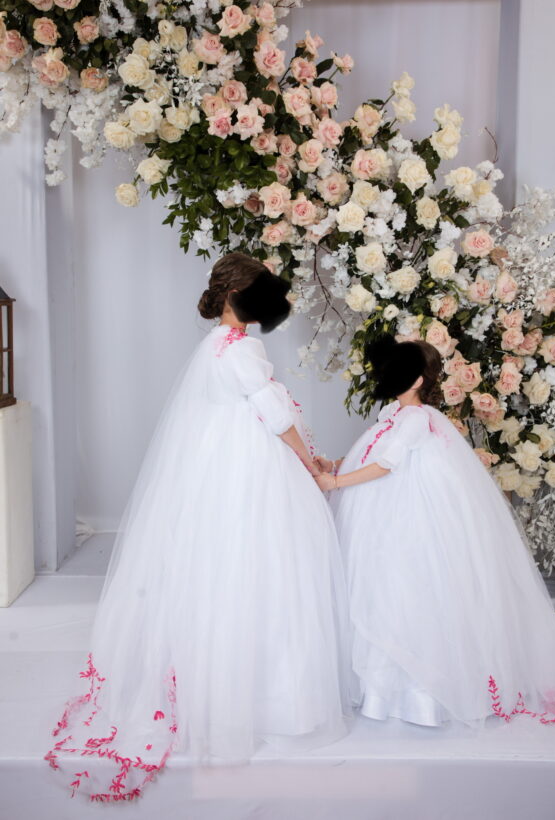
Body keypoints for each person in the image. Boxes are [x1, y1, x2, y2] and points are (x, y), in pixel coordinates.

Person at [46, 253, 350, 802]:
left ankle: (224, 683)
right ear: (239, 297)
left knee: (226, 569)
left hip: (222, 465)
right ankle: (263, 698)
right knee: (263, 567)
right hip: (250, 471)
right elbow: (277, 419)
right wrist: (310, 463)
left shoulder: (215, 346)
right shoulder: (243, 350)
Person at [316, 334, 555, 728]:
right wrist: (338, 465)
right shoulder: (392, 416)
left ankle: (415, 691)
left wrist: (337, 485)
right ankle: (379, 684)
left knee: (405, 586)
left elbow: (389, 464)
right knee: (380, 584)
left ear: (416, 381)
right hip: (381, 507)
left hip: (404, 512)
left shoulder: (415, 419)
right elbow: (373, 454)